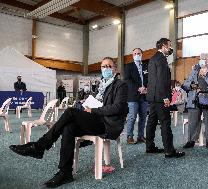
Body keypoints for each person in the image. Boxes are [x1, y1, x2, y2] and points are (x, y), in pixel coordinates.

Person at [9, 57, 128, 188]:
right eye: (103, 66)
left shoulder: (120, 85)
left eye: (109, 66)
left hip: (107, 124)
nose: (106, 69)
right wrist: (86, 103)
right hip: (96, 120)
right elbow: (99, 102)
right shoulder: (101, 85)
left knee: (70, 112)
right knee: (69, 128)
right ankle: (65, 173)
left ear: (115, 69)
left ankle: (40, 146)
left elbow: (119, 107)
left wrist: (93, 110)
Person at [146, 38, 185, 158]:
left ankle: (150, 147)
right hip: (160, 97)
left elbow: (152, 79)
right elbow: (161, 80)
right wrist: (165, 97)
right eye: (169, 45)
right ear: (163, 46)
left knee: (151, 122)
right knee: (165, 123)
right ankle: (169, 151)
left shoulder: (153, 58)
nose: (170, 48)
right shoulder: (162, 59)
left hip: (152, 97)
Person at [182, 53, 208, 148]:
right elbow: (185, 84)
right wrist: (192, 85)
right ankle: (191, 140)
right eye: (200, 58)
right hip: (194, 98)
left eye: (204, 58)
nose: (202, 60)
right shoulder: (195, 70)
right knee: (193, 121)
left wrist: (205, 86)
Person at [124, 48, 148, 144]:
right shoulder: (128, 66)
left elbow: (150, 79)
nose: (137, 55)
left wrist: (146, 88)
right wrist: (138, 88)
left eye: (139, 53)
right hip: (133, 96)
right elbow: (127, 80)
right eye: (135, 53)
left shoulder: (146, 66)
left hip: (144, 96)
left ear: (142, 54)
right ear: (132, 55)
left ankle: (141, 136)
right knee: (132, 117)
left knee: (143, 117)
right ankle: (129, 136)